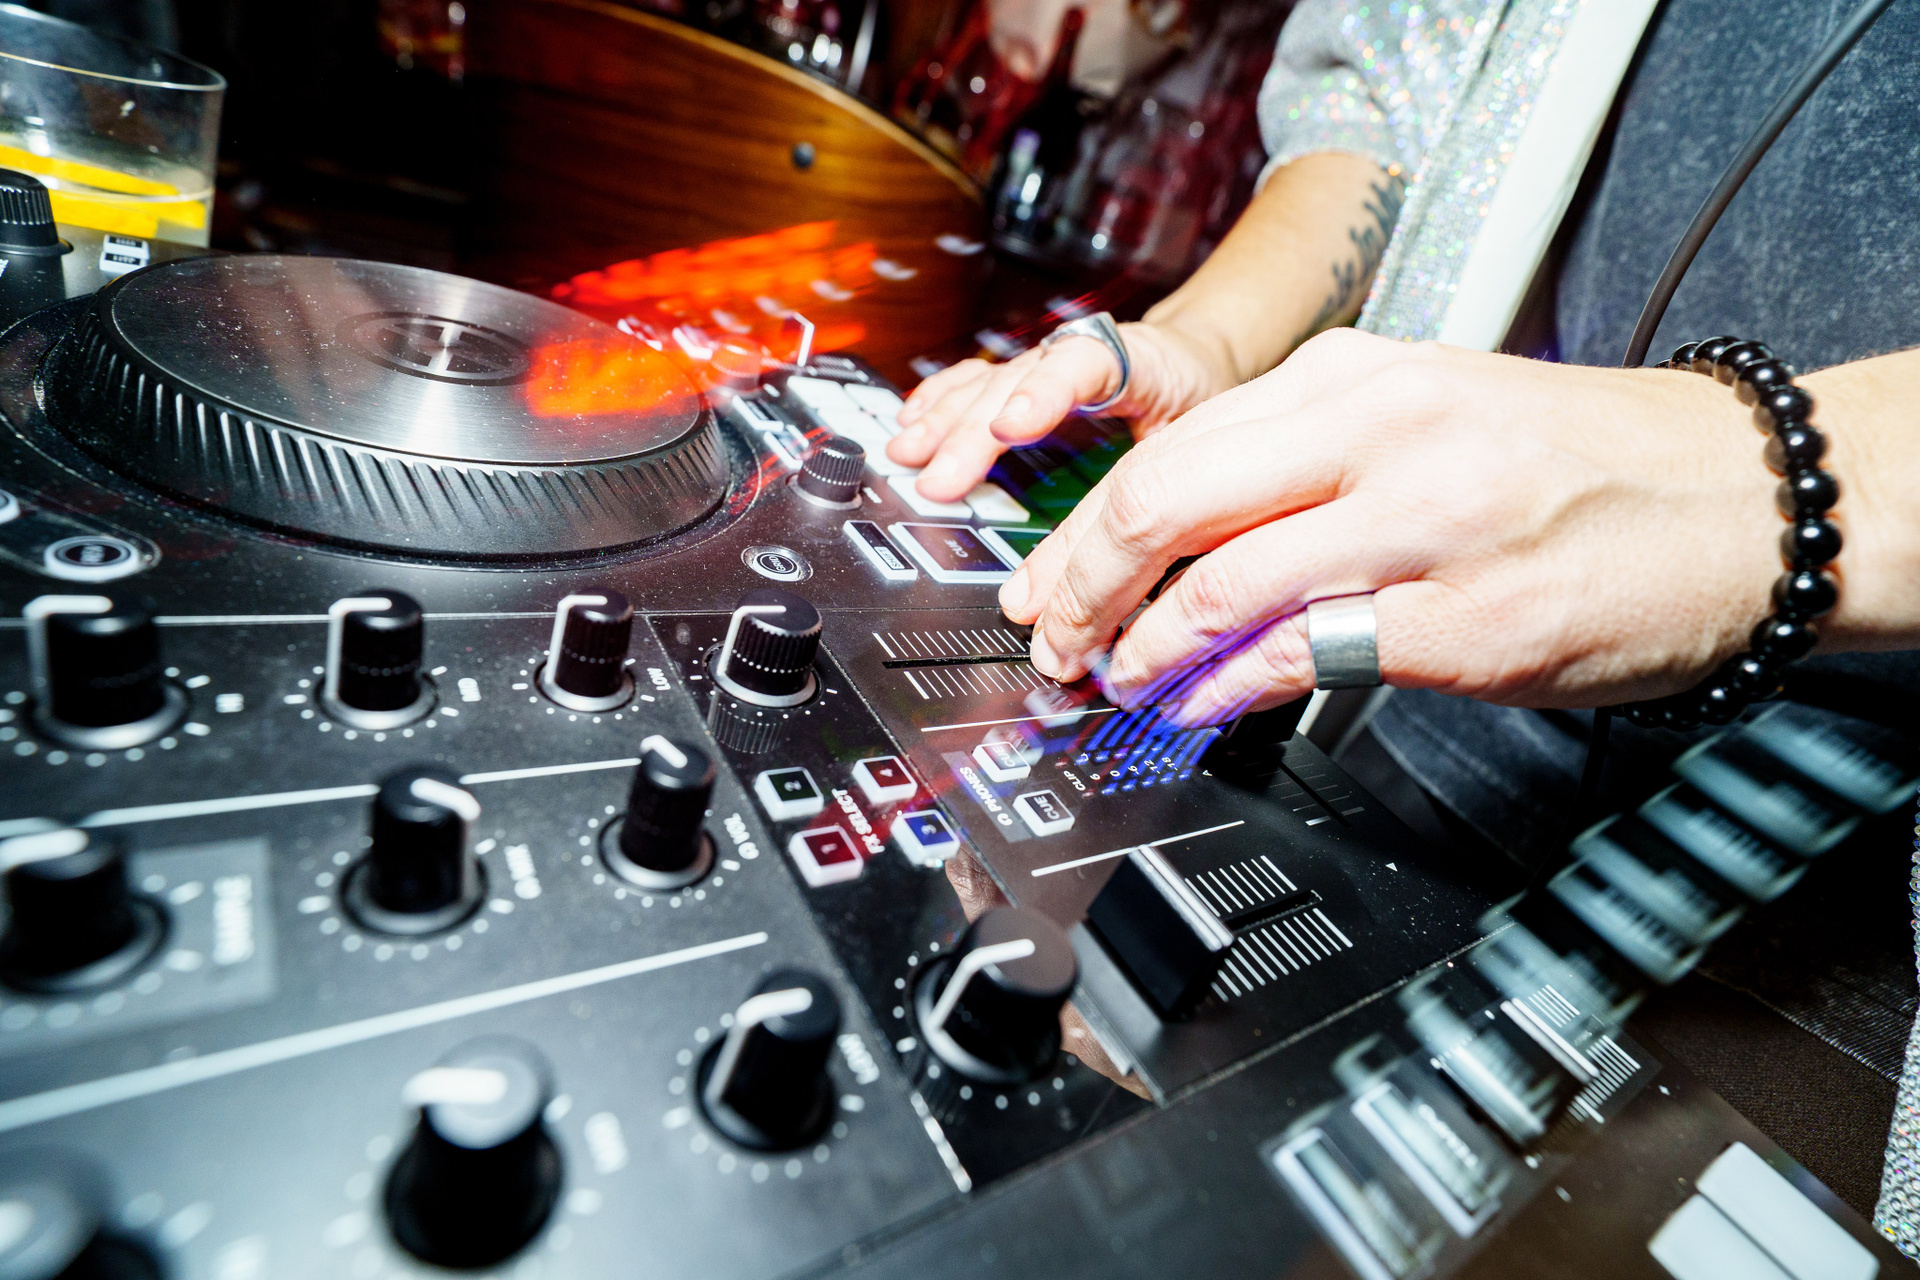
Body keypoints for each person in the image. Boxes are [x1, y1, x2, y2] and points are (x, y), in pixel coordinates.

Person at [898, 0, 1920, 1252]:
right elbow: (1398, 82)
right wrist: (1213, 337)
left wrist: (1760, 488)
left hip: (1834, 968)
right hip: (1411, 732)